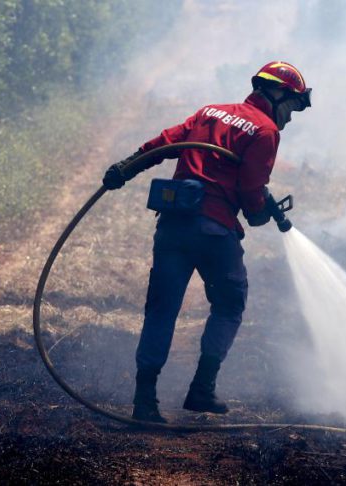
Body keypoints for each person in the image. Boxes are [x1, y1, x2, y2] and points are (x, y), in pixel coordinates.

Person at [102, 61, 311, 423]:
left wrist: (125, 167)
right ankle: (201, 389)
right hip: (214, 230)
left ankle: (144, 403)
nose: (290, 119)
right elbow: (250, 190)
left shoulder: (210, 112)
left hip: (173, 226)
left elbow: (164, 143)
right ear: (276, 93)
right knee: (230, 303)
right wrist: (259, 212)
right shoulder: (264, 131)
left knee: (161, 309)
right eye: (292, 107)